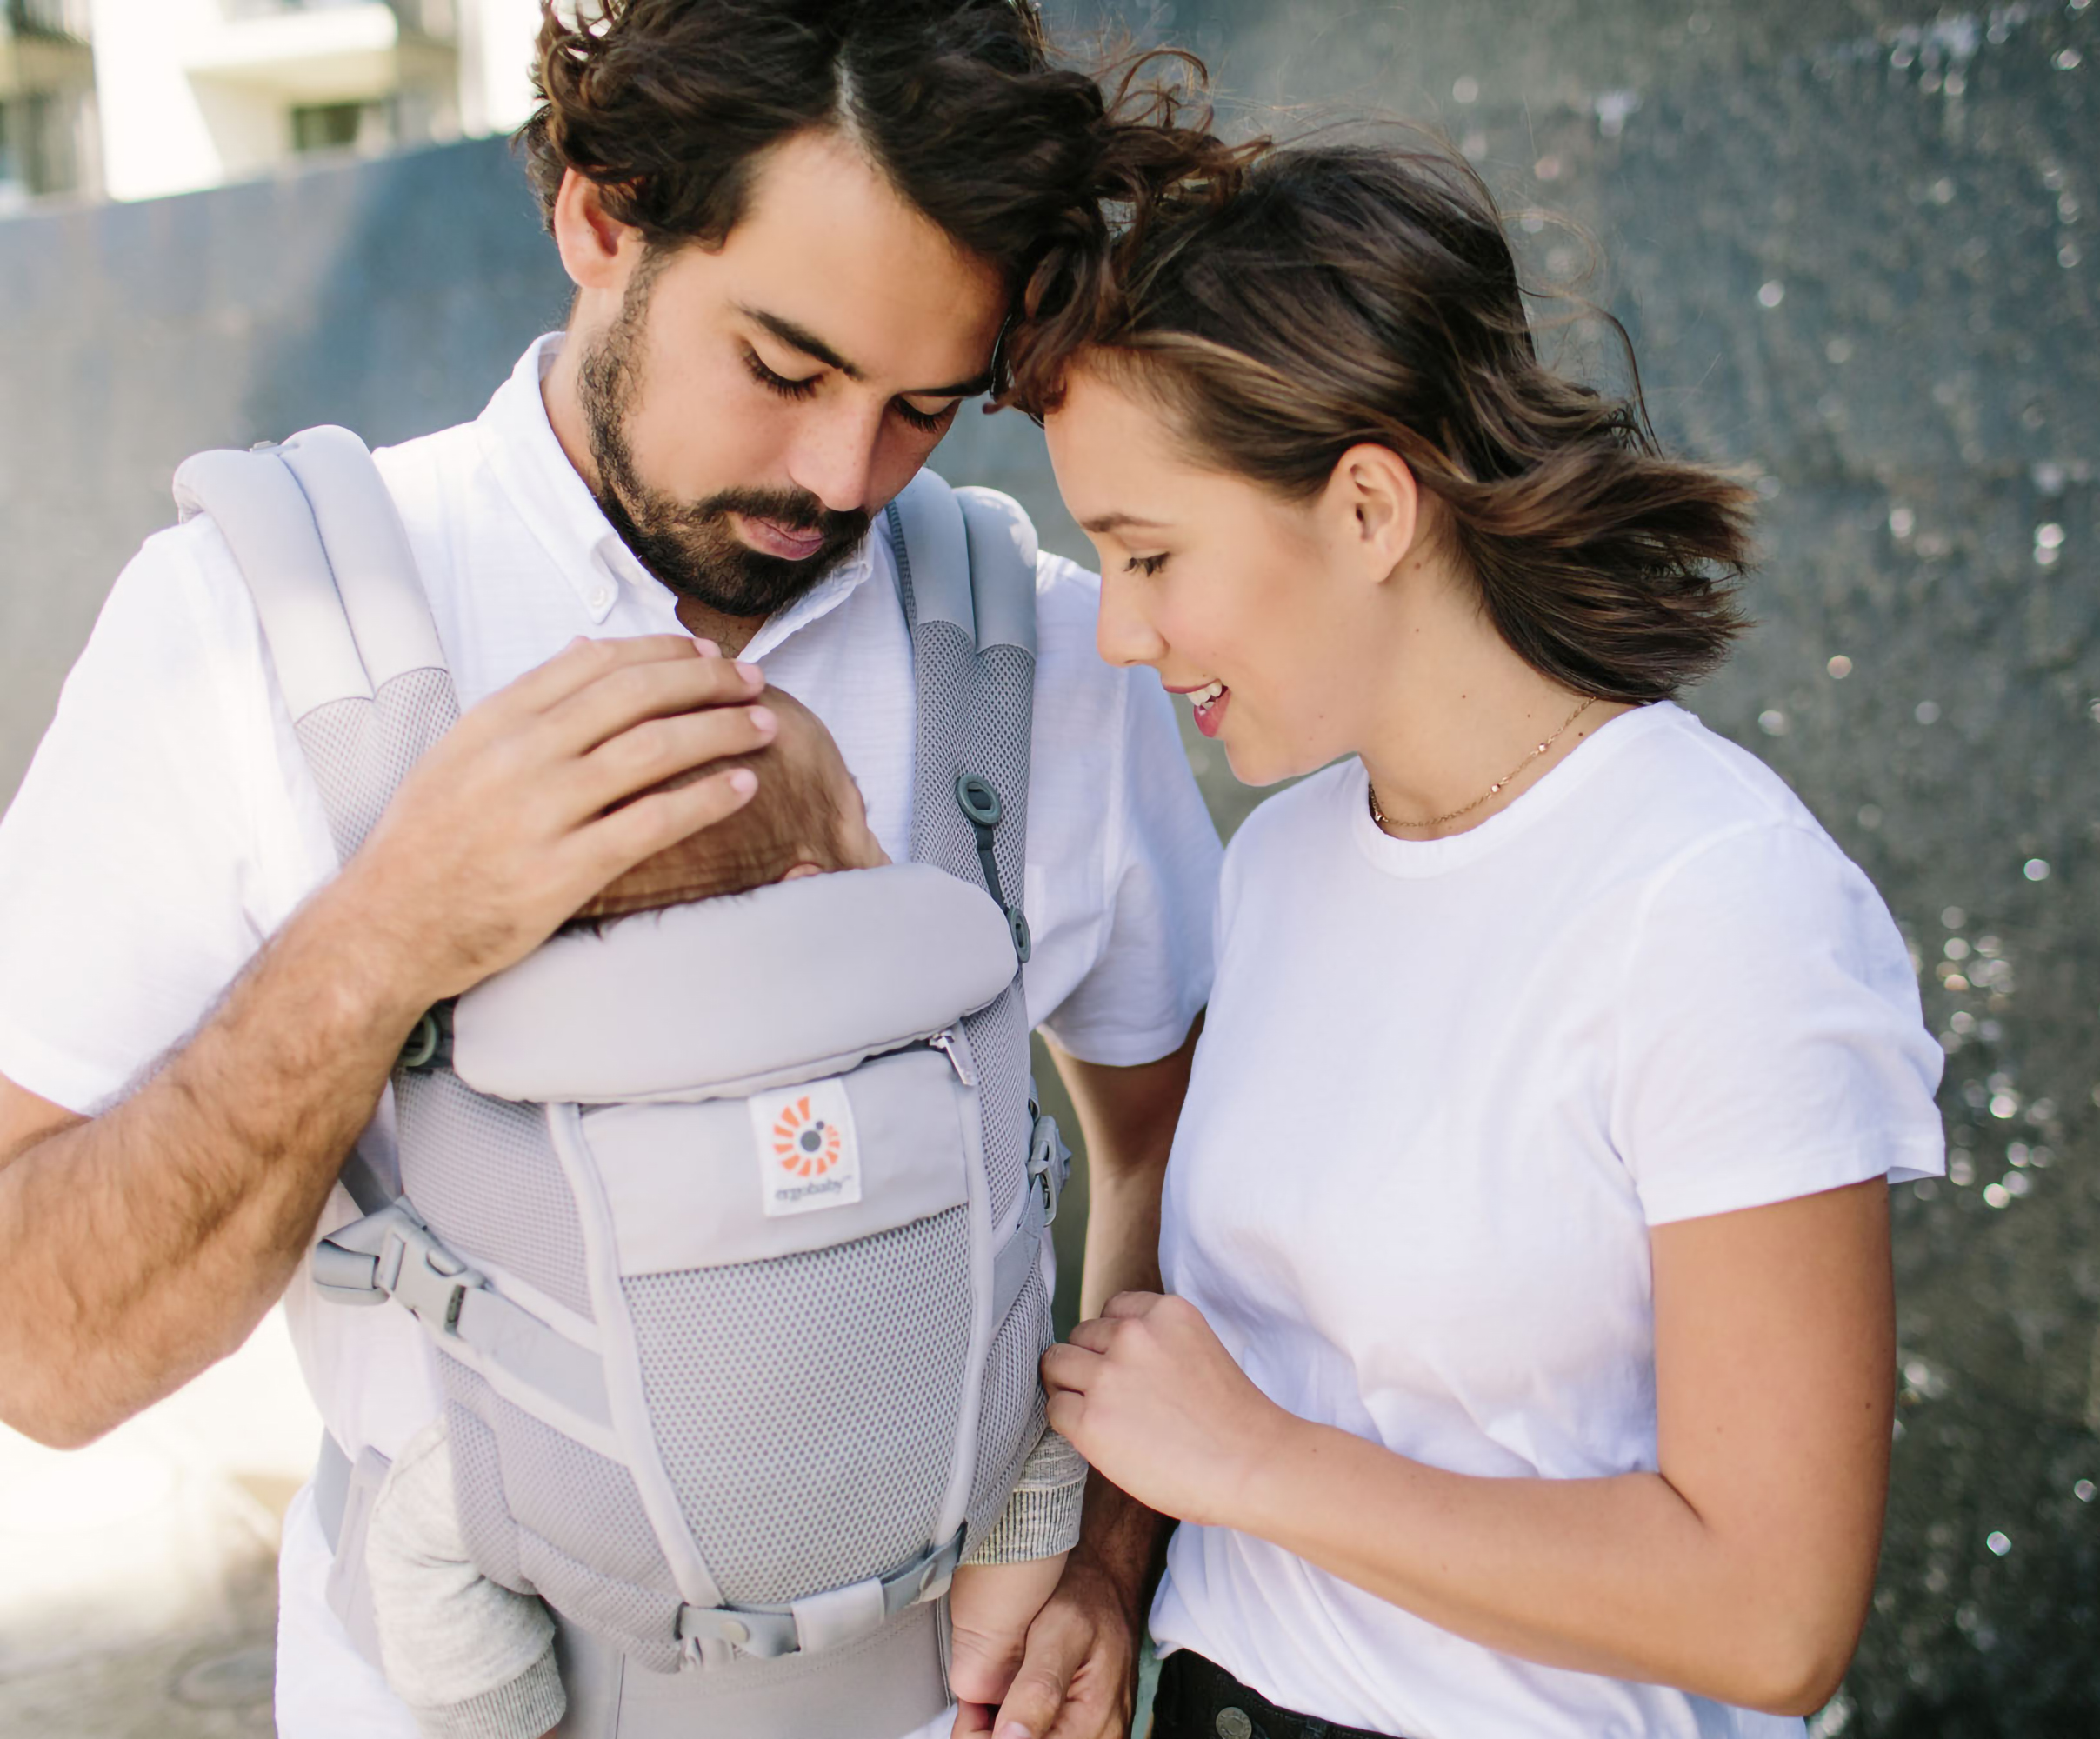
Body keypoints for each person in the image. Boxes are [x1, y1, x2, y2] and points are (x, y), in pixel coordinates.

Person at [0, 4, 1224, 1736]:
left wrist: (1104, 1551)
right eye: (784, 370)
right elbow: (41, 1351)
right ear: (600, 216)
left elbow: (1176, 1146)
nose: (840, 477)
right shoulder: (247, 630)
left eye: (922, 410)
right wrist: (383, 938)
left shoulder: (1039, 652)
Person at [1017, 141, 1947, 1738]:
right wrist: (1108, 1571)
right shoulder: (1287, 858)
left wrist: (1258, 1465)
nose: (1118, 629)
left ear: (1368, 506)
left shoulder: (1718, 904)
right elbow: (1212, 1359)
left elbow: (1774, 1614)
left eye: (1150, 556)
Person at [357, 683, 1087, 1738]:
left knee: (425, 1533)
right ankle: (983, 1666)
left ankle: (508, 1721)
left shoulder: (545, 1047)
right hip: (937, 1453)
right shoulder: (927, 995)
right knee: (1038, 1428)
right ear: (806, 890)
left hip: (609, 1500)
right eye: (859, 817)